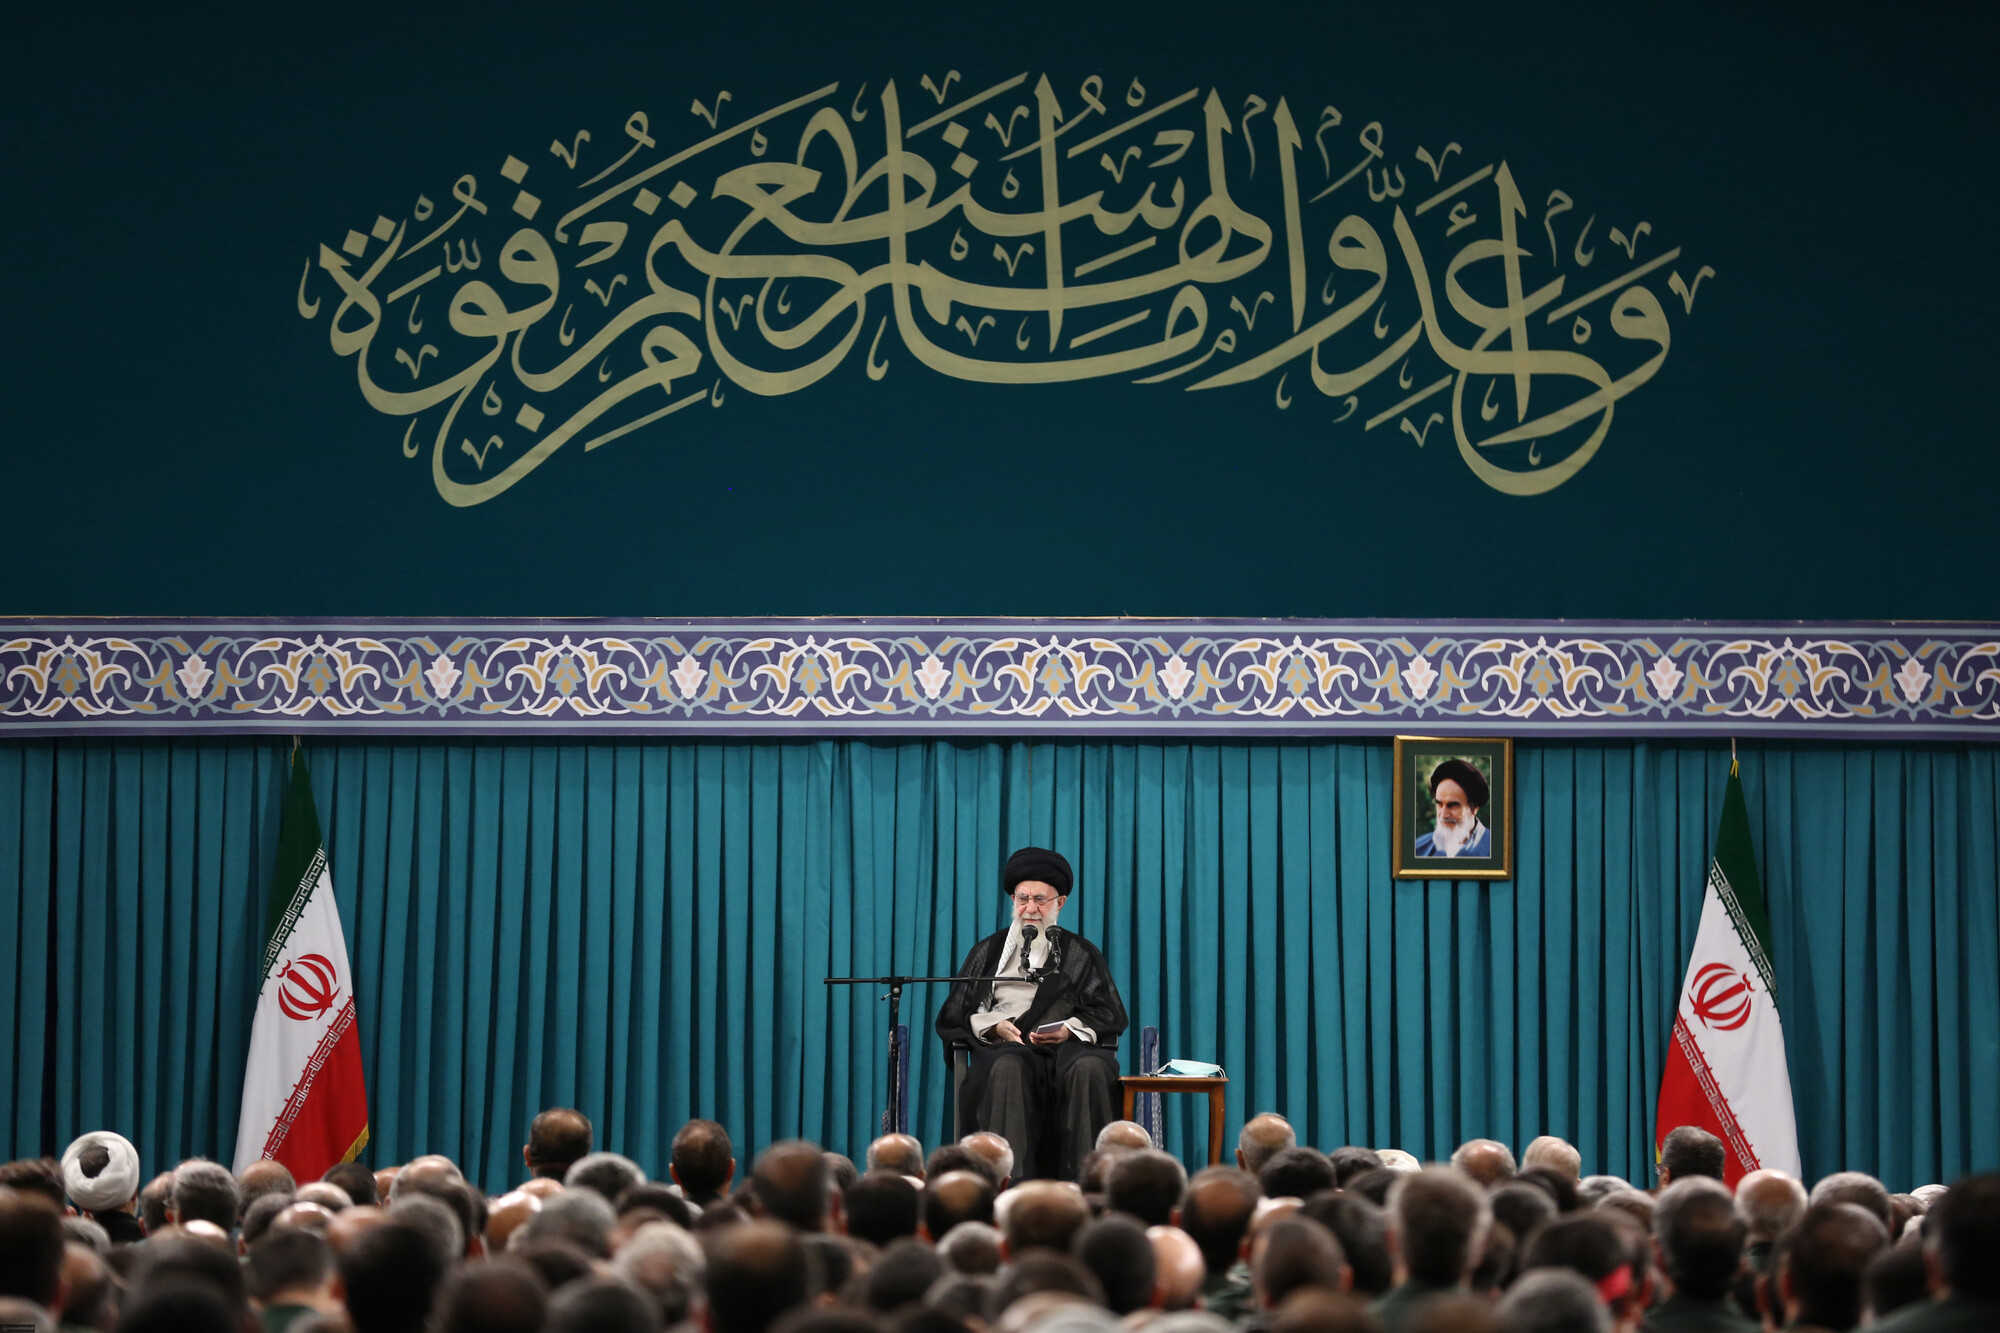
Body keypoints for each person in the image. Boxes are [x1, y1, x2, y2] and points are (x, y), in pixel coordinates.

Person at [936, 847, 1128, 1181]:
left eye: (1040, 899)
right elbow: (958, 1013)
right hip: (1006, 1048)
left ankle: (1089, 1186)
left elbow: (1107, 1011)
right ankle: (1010, 1187)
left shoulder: (1080, 953)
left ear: (1059, 903)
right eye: (1023, 899)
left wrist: (1070, 1029)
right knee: (1009, 1066)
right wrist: (996, 1026)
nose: (1030, 908)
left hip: (1067, 1050)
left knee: (1091, 1068)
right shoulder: (989, 951)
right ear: (1013, 900)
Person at [1413, 761, 1491, 859]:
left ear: (1474, 808)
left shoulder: (1497, 849)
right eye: (1439, 804)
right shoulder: (1418, 849)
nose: (1443, 814)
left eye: (1452, 805)